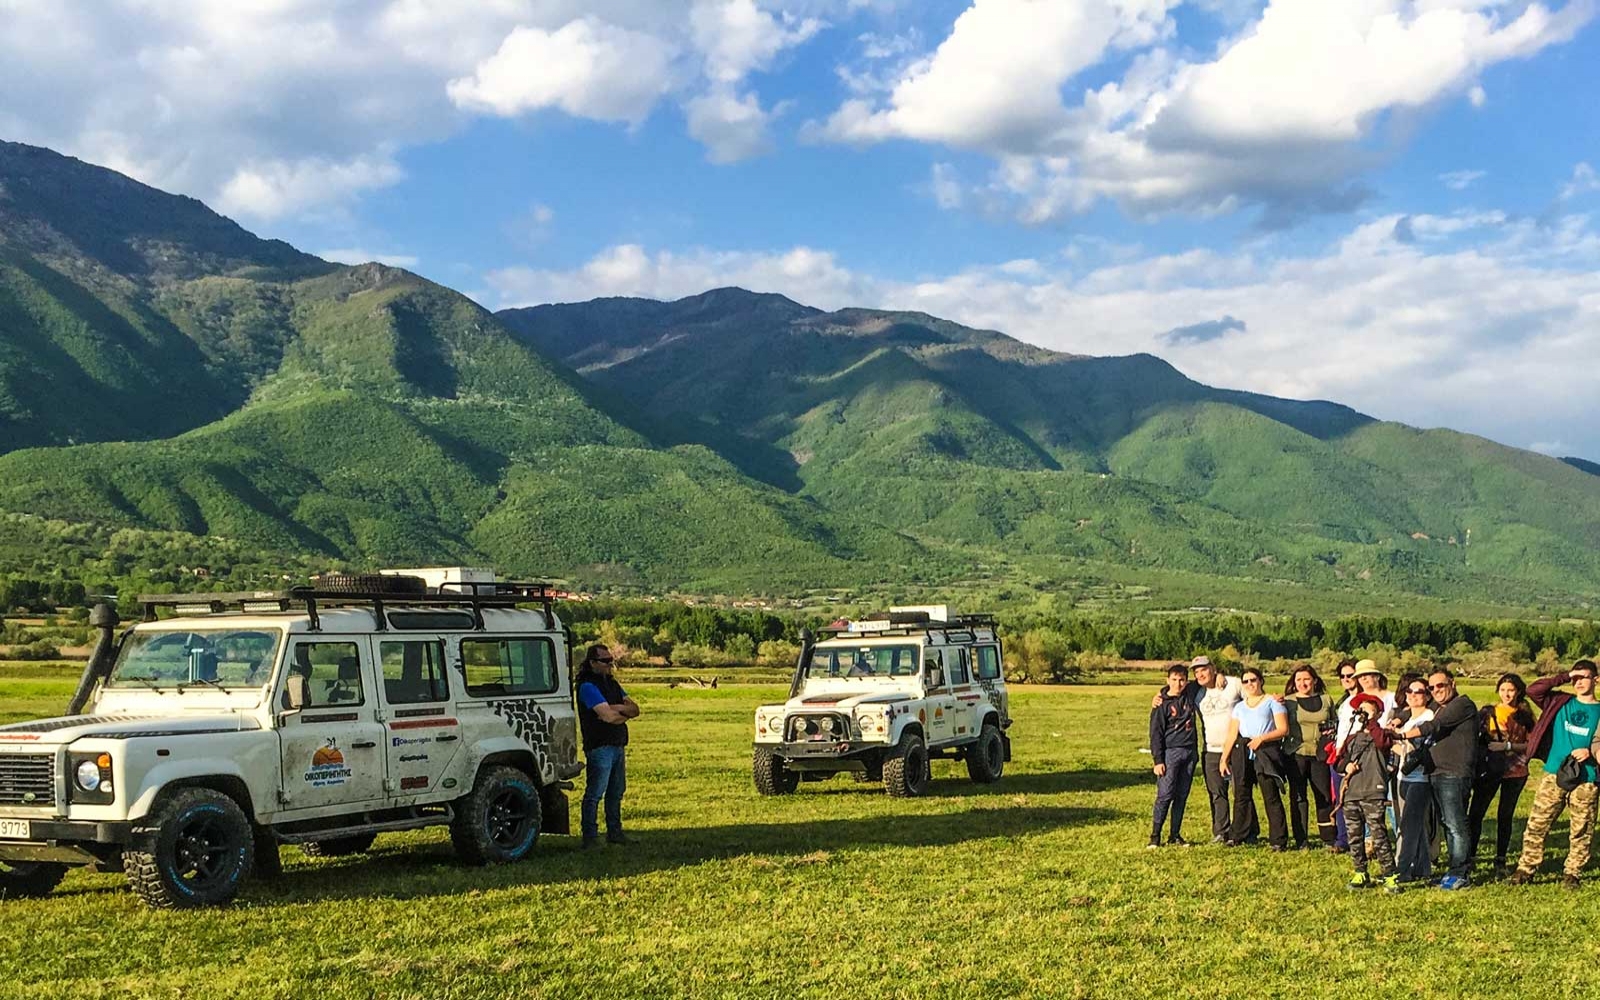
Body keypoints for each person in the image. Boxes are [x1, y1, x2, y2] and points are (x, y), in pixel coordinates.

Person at [1507, 660, 1600, 889]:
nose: (1579, 682)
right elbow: (1533, 690)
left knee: (1582, 828)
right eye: (1576, 678)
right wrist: (1566, 676)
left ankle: (1572, 873)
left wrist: (1590, 751)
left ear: (1596, 680)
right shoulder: (1560, 701)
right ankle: (1526, 869)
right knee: (1537, 824)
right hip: (1553, 773)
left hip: (1586, 777)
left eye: (1584, 677)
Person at [1397, 668, 1478, 890]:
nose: (1436, 690)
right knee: (1445, 823)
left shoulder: (1462, 704)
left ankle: (1460, 872)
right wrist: (1399, 718)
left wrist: (1401, 734)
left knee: (1455, 824)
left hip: (1454, 772)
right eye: (1432, 688)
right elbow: (1412, 710)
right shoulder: (1439, 707)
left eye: (1440, 685)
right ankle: (1452, 871)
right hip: (1436, 772)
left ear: (1452, 683)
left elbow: (1433, 726)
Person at [1467, 673, 1535, 873]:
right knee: (1476, 813)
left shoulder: (1525, 716)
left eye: (1511, 690)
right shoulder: (1489, 713)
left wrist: (1508, 745)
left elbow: (1533, 745)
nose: (1507, 694)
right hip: (1489, 769)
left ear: (1519, 691)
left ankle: (1500, 859)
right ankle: (1470, 857)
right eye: (1503, 690)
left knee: (1505, 815)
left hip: (1516, 770)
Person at [575, 644, 642, 848]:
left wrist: (618, 709)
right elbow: (607, 716)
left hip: (617, 744)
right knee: (595, 793)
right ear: (593, 663)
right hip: (599, 746)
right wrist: (623, 714)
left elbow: (635, 709)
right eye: (605, 661)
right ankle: (591, 836)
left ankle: (615, 832)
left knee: (616, 791)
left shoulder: (612, 684)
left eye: (610, 660)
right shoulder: (587, 686)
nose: (609, 665)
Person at [1220, 667, 1291, 850]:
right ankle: (1238, 834)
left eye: (1253, 680)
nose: (1250, 684)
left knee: (1271, 796)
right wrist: (1224, 758)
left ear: (1260, 681)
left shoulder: (1272, 702)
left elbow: (1283, 729)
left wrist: (1262, 738)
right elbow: (1232, 734)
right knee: (1242, 795)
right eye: (1245, 681)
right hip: (1243, 752)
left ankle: (1278, 839)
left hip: (1265, 752)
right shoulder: (1240, 707)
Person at [1338, 693, 1399, 892]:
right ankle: (1360, 871)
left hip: (1374, 791)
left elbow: (1382, 742)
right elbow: (1339, 760)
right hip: (1352, 793)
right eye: (1361, 708)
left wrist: (1372, 720)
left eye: (1368, 708)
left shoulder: (1382, 734)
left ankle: (1389, 874)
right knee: (1354, 836)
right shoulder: (1352, 738)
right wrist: (1346, 766)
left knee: (1379, 834)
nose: (1363, 711)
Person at [1283, 665, 1337, 849]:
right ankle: (1301, 839)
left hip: (1320, 754)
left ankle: (1328, 838)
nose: (1302, 683)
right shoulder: (1288, 702)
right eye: (1298, 680)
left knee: (1323, 796)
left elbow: (1335, 724)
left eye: (1306, 679)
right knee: (1298, 797)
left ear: (1314, 680)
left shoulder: (1326, 699)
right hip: (1295, 754)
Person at [1390, 679, 1436, 886]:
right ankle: (1423, 868)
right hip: (1404, 776)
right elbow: (1403, 752)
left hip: (1421, 779)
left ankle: (1402, 869)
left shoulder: (1428, 718)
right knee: (1414, 825)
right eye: (1409, 691)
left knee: (1408, 826)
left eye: (1419, 692)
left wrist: (1395, 739)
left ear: (1427, 695)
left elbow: (1420, 751)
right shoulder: (1408, 718)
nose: (1413, 694)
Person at [1148, 663, 1200, 848]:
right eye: (1174, 680)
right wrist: (1158, 760)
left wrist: (1218, 677)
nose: (1178, 684)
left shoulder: (1190, 694)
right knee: (1165, 794)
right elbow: (1155, 734)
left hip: (1190, 752)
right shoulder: (1161, 703)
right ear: (1167, 680)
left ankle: (1175, 834)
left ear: (1186, 681)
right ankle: (1155, 836)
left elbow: (1205, 678)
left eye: (1182, 680)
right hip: (1170, 752)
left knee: (1182, 795)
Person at [1328, 658, 1360, 853]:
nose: (1347, 679)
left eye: (1351, 675)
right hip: (1339, 753)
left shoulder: (1367, 700)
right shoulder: (1342, 702)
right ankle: (1342, 839)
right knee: (1340, 797)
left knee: (1358, 798)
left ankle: (1363, 840)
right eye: (1343, 676)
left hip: (1357, 752)